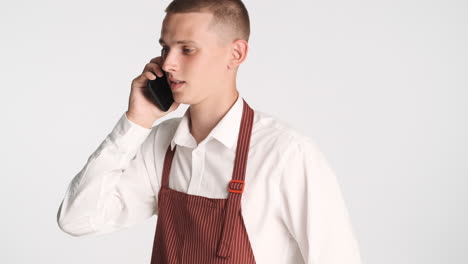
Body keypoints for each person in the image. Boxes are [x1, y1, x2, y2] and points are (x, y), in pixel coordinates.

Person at [56, 0, 362, 263]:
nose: (169, 63)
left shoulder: (285, 153)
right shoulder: (162, 145)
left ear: (236, 54)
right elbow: (77, 219)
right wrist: (136, 121)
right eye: (165, 48)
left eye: (187, 49)